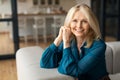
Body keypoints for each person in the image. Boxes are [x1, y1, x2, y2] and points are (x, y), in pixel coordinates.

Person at [40, 4, 110, 80]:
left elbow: (75, 71)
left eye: (84, 21)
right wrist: (58, 39)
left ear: (90, 24)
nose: (79, 25)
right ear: (69, 23)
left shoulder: (99, 46)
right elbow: (45, 63)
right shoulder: (70, 40)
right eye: (75, 21)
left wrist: (66, 45)